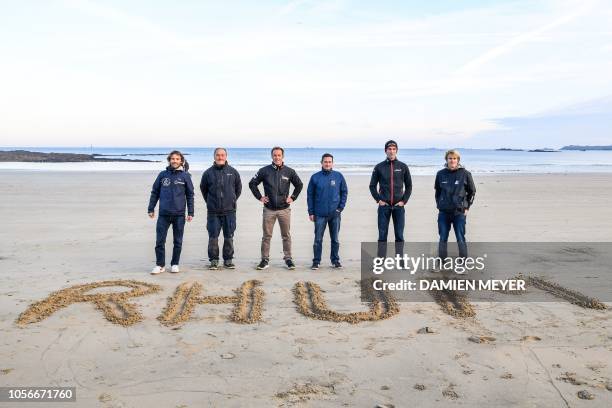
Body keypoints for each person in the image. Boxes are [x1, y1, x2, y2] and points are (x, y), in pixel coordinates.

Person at [249, 146, 303, 270]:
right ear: (272, 156)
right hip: (269, 210)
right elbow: (252, 183)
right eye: (275, 155)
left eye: (279, 155)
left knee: (286, 235)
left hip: (284, 209)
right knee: (266, 236)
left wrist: (292, 197)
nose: (277, 157)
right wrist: (260, 197)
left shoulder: (290, 171)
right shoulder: (264, 171)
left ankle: (288, 259)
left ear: (282, 156)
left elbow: (299, 185)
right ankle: (264, 260)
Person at [148, 150, 194, 274]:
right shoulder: (162, 175)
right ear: (169, 160)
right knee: (159, 241)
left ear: (181, 161)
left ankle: (175, 264)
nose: (175, 161)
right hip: (164, 214)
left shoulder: (185, 176)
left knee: (177, 241)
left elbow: (190, 195)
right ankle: (160, 265)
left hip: (179, 214)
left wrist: (191, 212)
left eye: (177, 159)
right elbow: (155, 192)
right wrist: (151, 208)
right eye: (172, 159)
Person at [200, 147, 242, 270]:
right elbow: (204, 189)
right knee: (213, 237)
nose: (220, 157)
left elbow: (238, 189)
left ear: (226, 156)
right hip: (213, 212)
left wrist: (232, 200)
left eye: (222, 155)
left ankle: (228, 260)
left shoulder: (233, 172)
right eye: (218, 155)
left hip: (229, 211)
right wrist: (210, 202)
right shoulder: (208, 173)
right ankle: (214, 260)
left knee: (229, 236)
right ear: (214, 156)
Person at [369, 140, 412, 256]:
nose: (391, 151)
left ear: (396, 150)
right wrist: (378, 200)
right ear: (385, 151)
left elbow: (409, 186)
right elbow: (372, 186)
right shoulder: (379, 167)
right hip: (384, 207)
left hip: (399, 207)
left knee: (399, 235)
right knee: (382, 235)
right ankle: (381, 260)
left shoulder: (403, 167)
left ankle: (400, 260)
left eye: (394, 149)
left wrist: (404, 201)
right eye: (389, 149)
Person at [307, 153, 348, 270]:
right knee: (318, 240)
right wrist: (311, 212)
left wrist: (340, 208)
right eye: (325, 162)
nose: (327, 164)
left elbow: (344, 192)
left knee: (335, 239)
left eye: (330, 162)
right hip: (319, 214)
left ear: (332, 163)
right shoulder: (315, 177)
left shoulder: (338, 176)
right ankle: (316, 261)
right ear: (321, 163)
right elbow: (310, 195)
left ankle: (335, 260)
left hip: (335, 214)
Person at [435, 149, 476, 259]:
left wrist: (467, 207)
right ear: (446, 160)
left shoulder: (465, 174)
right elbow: (437, 192)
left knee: (460, 238)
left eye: (454, 158)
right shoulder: (440, 174)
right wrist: (439, 204)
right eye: (450, 158)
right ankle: (442, 262)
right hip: (444, 212)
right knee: (442, 237)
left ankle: (463, 263)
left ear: (458, 160)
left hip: (459, 212)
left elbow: (472, 192)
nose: (452, 160)